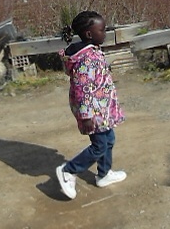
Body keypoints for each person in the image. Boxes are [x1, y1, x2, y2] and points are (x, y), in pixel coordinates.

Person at [55, 10, 126, 200]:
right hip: (93, 112)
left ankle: (104, 174)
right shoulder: (86, 58)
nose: (105, 33)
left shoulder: (92, 50)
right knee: (99, 146)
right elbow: (82, 89)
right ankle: (68, 171)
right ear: (89, 34)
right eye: (102, 30)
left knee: (108, 140)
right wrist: (86, 116)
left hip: (102, 107)